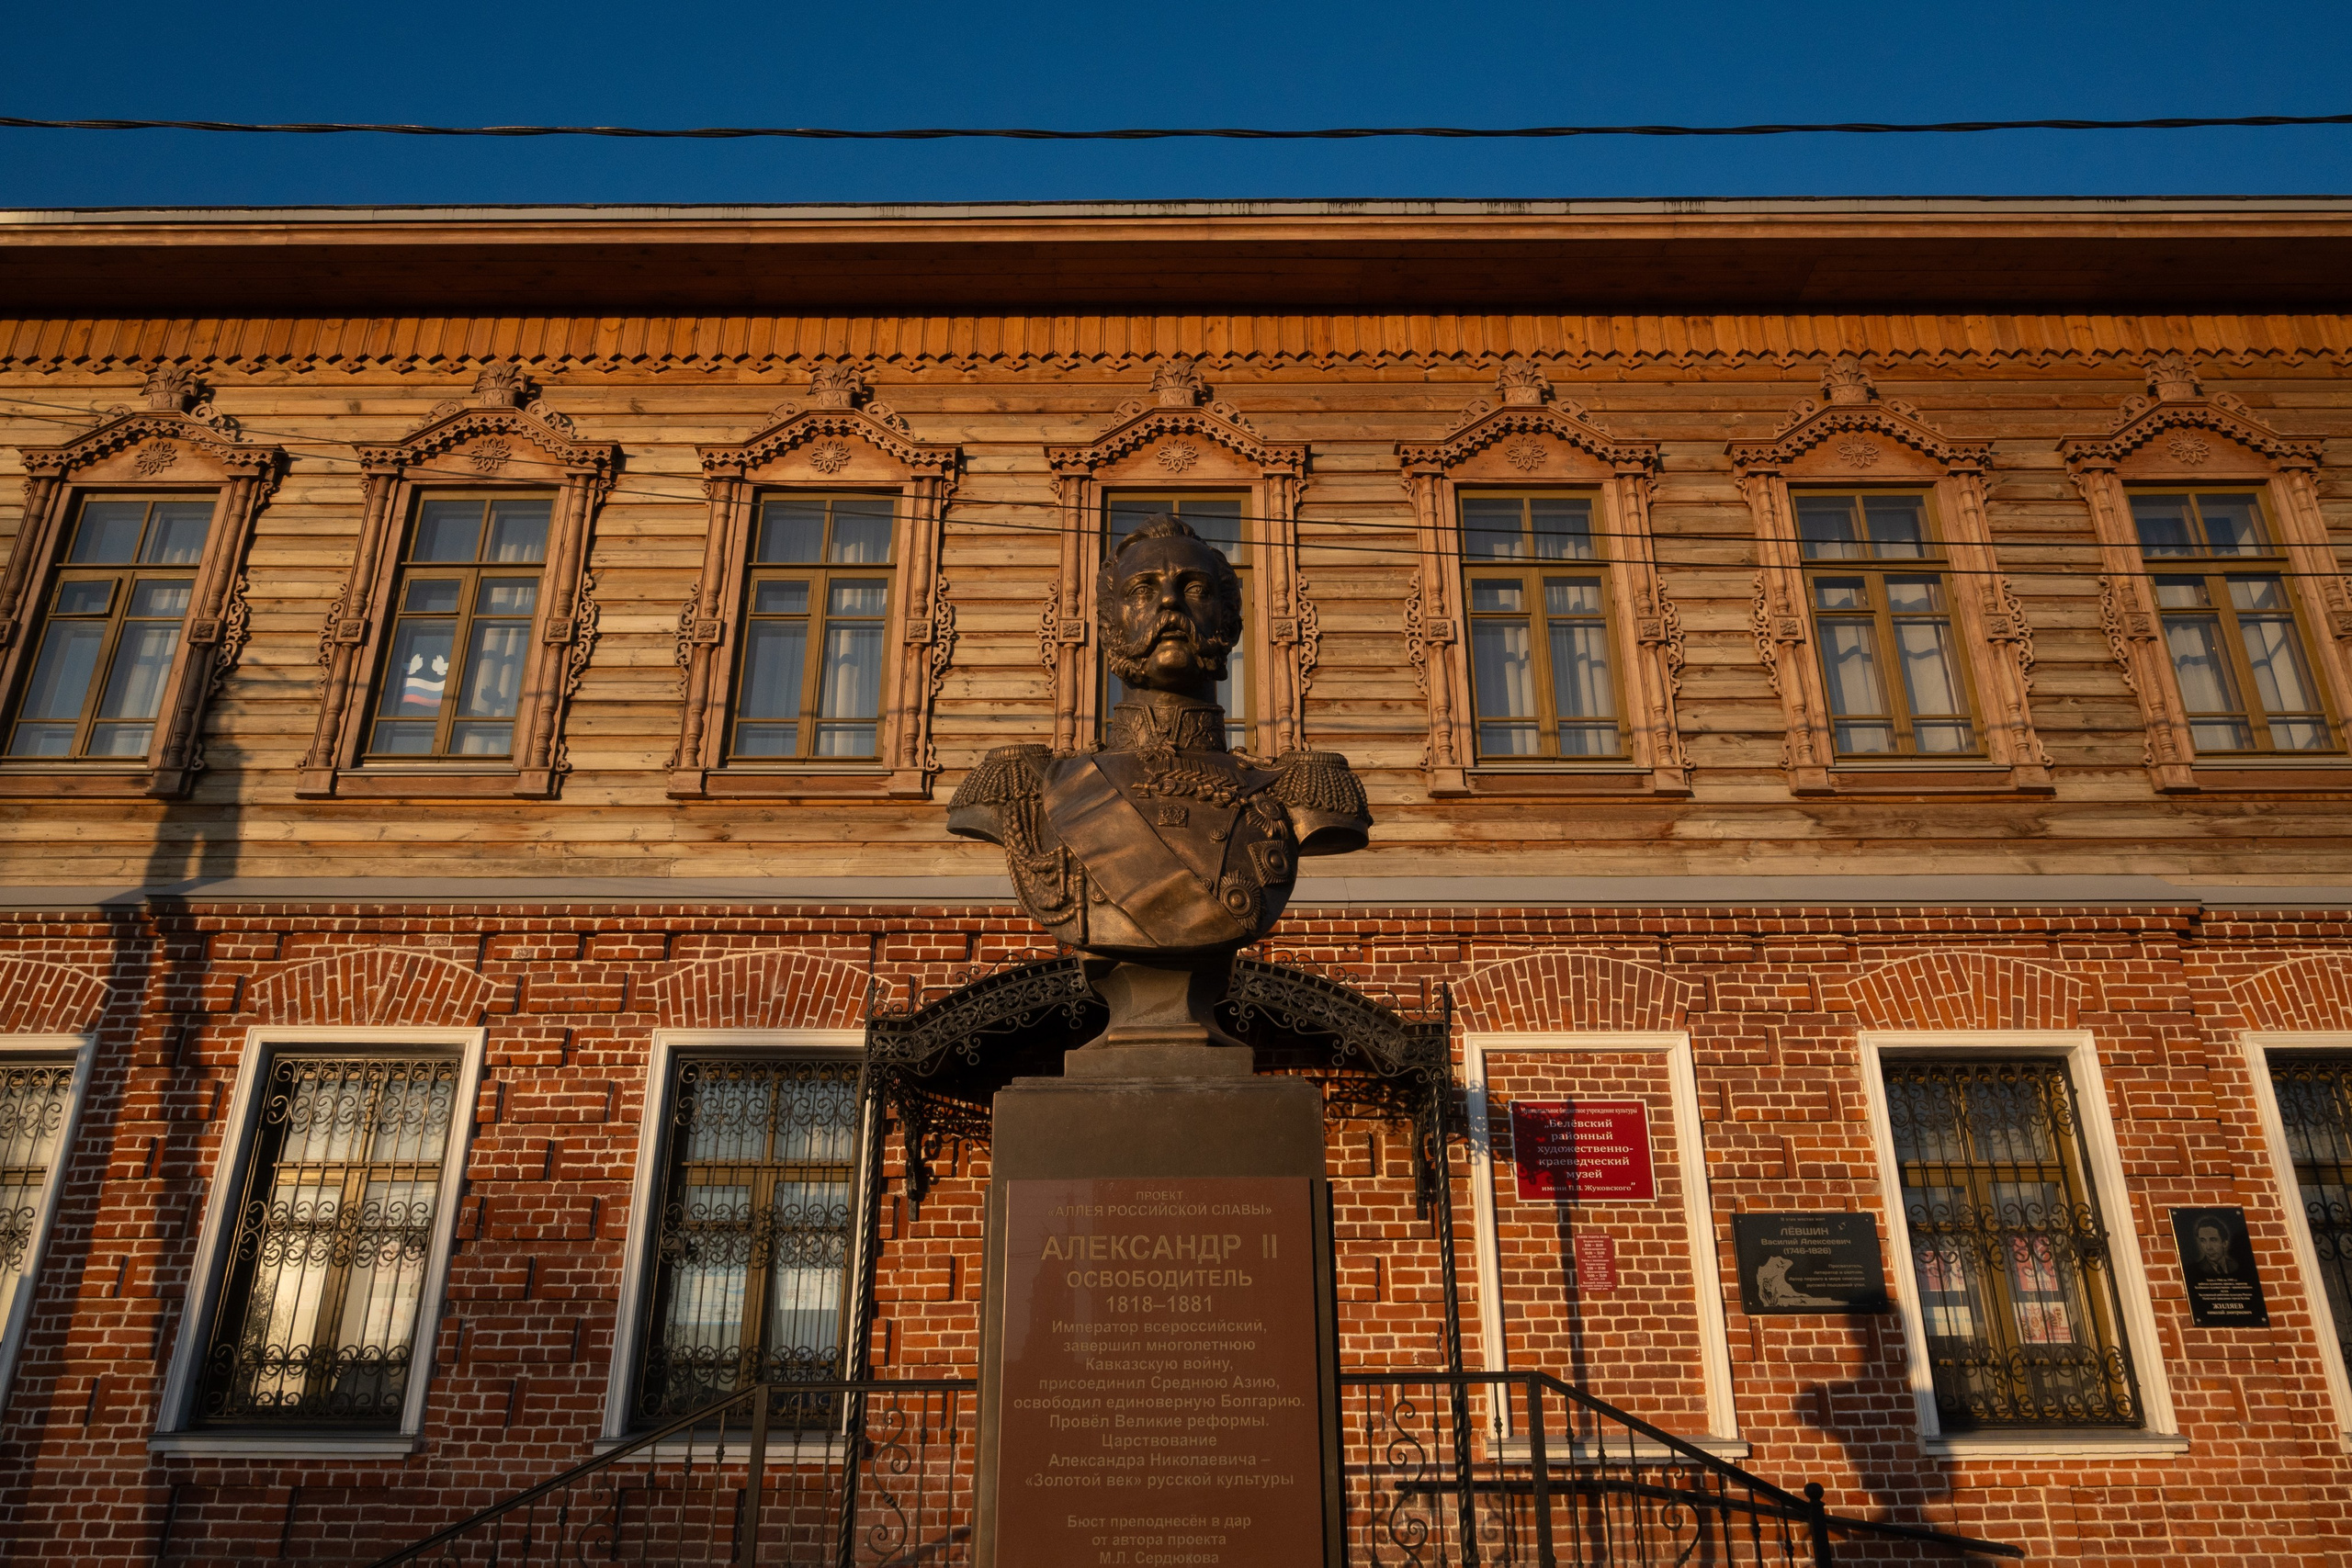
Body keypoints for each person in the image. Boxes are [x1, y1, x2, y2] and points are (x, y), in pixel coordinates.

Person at [948, 516, 1369, 962]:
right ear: (1110, 627)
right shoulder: (1030, 786)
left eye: (1195, 589)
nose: (1170, 601)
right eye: (1143, 590)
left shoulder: (1299, 791)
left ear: (1228, 623)